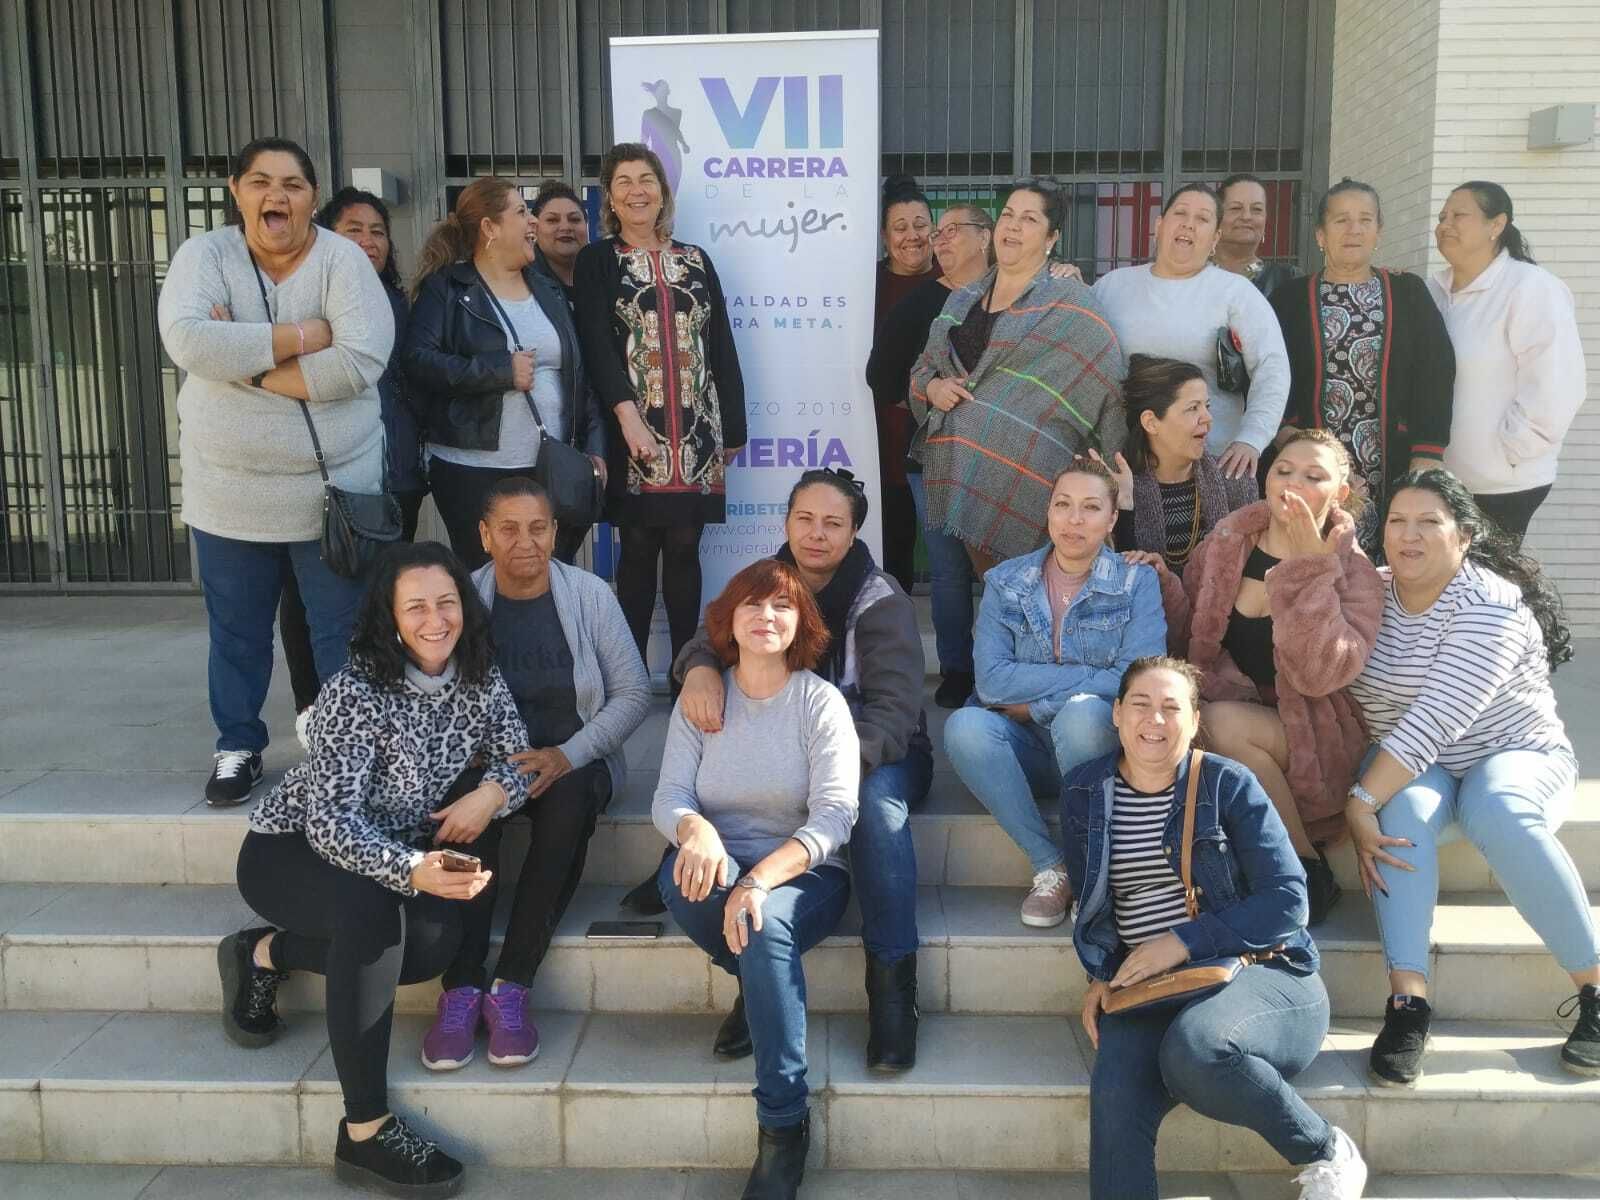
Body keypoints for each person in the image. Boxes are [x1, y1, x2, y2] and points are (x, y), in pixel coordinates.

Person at [222, 541, 528, 1198]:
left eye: (446, 602)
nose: (435, 619)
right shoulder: (355, 691)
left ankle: (266, 953)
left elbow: (517, 756)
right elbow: (332, 823)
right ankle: (364, 1130)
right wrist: (413, 869)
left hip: (387, 856)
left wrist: (493, 792)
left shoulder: (479, 673)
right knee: (374, 915)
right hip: (291, 850)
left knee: (433, 945)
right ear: (389, 617)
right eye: (415, 607)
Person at [1067, 656, 1366, 1200]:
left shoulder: (1228, 783)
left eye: (1171, 707)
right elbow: (1096, 902)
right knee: (1115, 1089)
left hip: (1266, 974)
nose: (1154, 719)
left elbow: (1288, 900)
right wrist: (1103, 972)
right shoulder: (1085, 792)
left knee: (1196, 1049)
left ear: (1194, 720)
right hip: (1154, 987)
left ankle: (1324, 1149)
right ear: (1116, 714)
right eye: (1140, 704)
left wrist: (1182, 941)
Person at [156, 136, 393, 806]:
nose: (276, 196)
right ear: (237, 191)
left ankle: (345, 749)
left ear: (312, 198)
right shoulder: (204, 257)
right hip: (227, 494)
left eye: (292, 184)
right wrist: (301, 338)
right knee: (237, 634)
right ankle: (238, 745)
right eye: (260, 182)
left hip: (332, 494)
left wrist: (246, 364)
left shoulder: (343, 262)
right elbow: (190, 341)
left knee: (341, 633)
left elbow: (358, 363)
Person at [1345, 470, 1598, 1087]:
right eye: (1398, 521)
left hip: (1512, 751)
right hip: (1420, 765)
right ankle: (1408, 1004)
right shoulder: (1370, 592)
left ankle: (1594, 986)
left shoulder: (1491, 602)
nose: (1408, 535)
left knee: (1500, 810)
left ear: (1464, 535)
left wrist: (1359, 799)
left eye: (1428, 522)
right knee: (1401, 816)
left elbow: (1438, 714)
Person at [673, 469, 932, 1072]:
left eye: (833, 523)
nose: (817, 534)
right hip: (788, 747)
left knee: (875, 810)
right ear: (787, 522)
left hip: (877, 752)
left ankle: (893, 987)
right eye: (805, 520)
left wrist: (820, 770)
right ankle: (758, 976)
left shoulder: (880, 598)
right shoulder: (765, 583)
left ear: (854, 532)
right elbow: (710, 636)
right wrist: (700, 667)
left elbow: (894, 715)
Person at [424, 478, 651, 1071]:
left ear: (555, 533)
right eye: (508, 529)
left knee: (568, 802)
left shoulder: (589, 595)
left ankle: (512, 985)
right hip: (486, 761)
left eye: (538, 528)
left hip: (572, 759)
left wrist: (569, 753)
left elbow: (632, 694)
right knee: (462, 802)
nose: (525, 542)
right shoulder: (462, 601)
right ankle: (461, 987)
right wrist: (465, 750)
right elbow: (428, 691)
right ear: (484, 535)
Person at [653, 559, 860, 1200]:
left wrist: (759, 880)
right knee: (681, 885)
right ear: (729, 619)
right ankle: (758, 985)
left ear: (801, 624)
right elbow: (669, 795)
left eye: (782, 606)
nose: (766, 616)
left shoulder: (818, 701)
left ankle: (783, 1123)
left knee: (763, 925)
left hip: (805, 871)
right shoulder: (703, 696)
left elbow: (836, 815)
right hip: (719, 860)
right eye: (752, 604)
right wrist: (695, 829)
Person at [1157, 429, 1383, 925]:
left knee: (1217, 722)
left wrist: (1310, 569)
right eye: (1283, 470)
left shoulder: (1355, 574)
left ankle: (1306, 867)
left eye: (1314, 476)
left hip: (1312, 734)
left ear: (1340, 493)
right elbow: (1190, 633)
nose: (1293, 483)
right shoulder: (1227, 544)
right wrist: (1163, 582)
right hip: (1226, 718)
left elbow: (1322, 674)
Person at [944, 460, 1166, 928]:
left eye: (1091, 508)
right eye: (1063, 505)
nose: (1074, 519)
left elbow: (1137, 677)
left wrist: (1037, 706)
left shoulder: (1136, 581)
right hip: (1024, 751)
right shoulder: (1006, 581)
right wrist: (1091, 674)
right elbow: (992, 681)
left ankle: (1092, 869)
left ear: (1112, 519)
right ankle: (1051, 866)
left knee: (1081, 716)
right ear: (1048, 512)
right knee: (965, 726)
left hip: (1095, 745)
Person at [574, 142, 747, 674]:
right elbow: (596, 347)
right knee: (637, 549)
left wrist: (734, 427)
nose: (637, 191)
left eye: (646, 180)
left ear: (663, 192)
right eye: (623, 182)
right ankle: (628, 677)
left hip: (697, 430)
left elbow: (720, 346)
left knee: (686, 547)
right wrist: (627, 419)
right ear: (610, 198)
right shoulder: (598, 260)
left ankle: (684, 673)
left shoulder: (696, 260)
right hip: (634, 431)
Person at [909, 179, 1128, 575]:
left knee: (1039, 585)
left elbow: (1108, 378)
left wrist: (1112, 469)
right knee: (994, 588)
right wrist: (934, 387)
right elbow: (923, 368)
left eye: (1029, 219)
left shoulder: (1070, 300)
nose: (1012, 225)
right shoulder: (963, 297)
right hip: (959, 470)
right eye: (1008, 215)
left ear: (1051, 237)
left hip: (1033, 474)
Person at [279, 185, 428, 748]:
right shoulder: (308, 303)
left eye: (378, 232)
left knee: (385, 596)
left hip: (394, 477)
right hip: (325, 475)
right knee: (311, 598)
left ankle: (377, 705)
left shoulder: (397, 303)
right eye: (354, 230)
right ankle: (315, 709)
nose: (369, 242)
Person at [404, 176, 603, 570]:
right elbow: (417, 361)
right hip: (472, 471)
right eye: (522, 212)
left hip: (548, 466)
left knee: (547, 575)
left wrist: (594, 447)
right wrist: (499, 371)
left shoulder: (547, 289)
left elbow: (581, 374)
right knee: (487, 580)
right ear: (489, 228)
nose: (533, 222)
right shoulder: (447, 287)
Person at [1271, 178, 1455, 555]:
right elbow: (1269, 369)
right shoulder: (1290, 298)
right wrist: (1284, 429)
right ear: (1320, 235)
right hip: (1314, 455)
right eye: (1341, 220)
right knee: (1314, 555)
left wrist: (1428, 448)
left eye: (1365, 220)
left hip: (1390, 454)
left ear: (1378, 231)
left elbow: (1436, 370)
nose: (1354, 229)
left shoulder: (1407, 292)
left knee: (1389, 554)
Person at [868, 202, 989, 706]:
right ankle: (957, 671)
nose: (939, 239)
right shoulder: (921, 304)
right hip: (935, 460)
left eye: (952, 230)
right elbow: (880, 378)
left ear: (985, 238)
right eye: (938, 232)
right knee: (948, 571)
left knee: (1007, 570)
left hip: (1008, 462)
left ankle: (1002, 671)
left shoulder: (1016, 295)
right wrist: (928, 396)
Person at [1093, 183, 1290, 481]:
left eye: (1202, 218)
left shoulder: (1235, 292)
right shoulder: (1112, 286)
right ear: (1159, 226)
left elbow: (1272, 366)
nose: (1189, 224)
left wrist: (1252, 437)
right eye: (1180, 213)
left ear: (1215, 238)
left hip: (1213, 460)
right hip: (1123, 458)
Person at [1429, 180, 1586, 541]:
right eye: (1442, 217)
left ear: (1496, 225)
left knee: (1490, 576)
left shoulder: (1530, 287)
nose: (1445, 225)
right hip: (1441, 484)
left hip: (1502, 488)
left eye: (1459, 215)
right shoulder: (1432, 291)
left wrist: (1513, 451)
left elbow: (1558, 385)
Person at [1103, 354, 1257, 569]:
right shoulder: (1118, 488)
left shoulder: (1236, 481)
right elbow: (1115, 572)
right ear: (1150, 422)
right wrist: (1125, 507)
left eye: (1207, 406)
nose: (1208, 417)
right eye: (1193, 408)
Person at [872, 176, 938, 594]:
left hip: (941, 435)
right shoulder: (866, 285)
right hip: (880, 432)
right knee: (891, 539)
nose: (912, 236)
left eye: (920, 224)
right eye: (900, 227)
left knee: (946, 553)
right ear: (884, 236)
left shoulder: (956, 280)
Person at [1213, 172, 1296, 298]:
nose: (1246, 217)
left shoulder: (1287, 278)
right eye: (1236, 208)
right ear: (1216, 217)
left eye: (1256, 209)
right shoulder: (1194, 274)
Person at [530, 178, 588, 309]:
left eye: (574, 219)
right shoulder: (522, 284)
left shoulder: (604, 274)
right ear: (534, 229)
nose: (565, 227)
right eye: (552, 220)